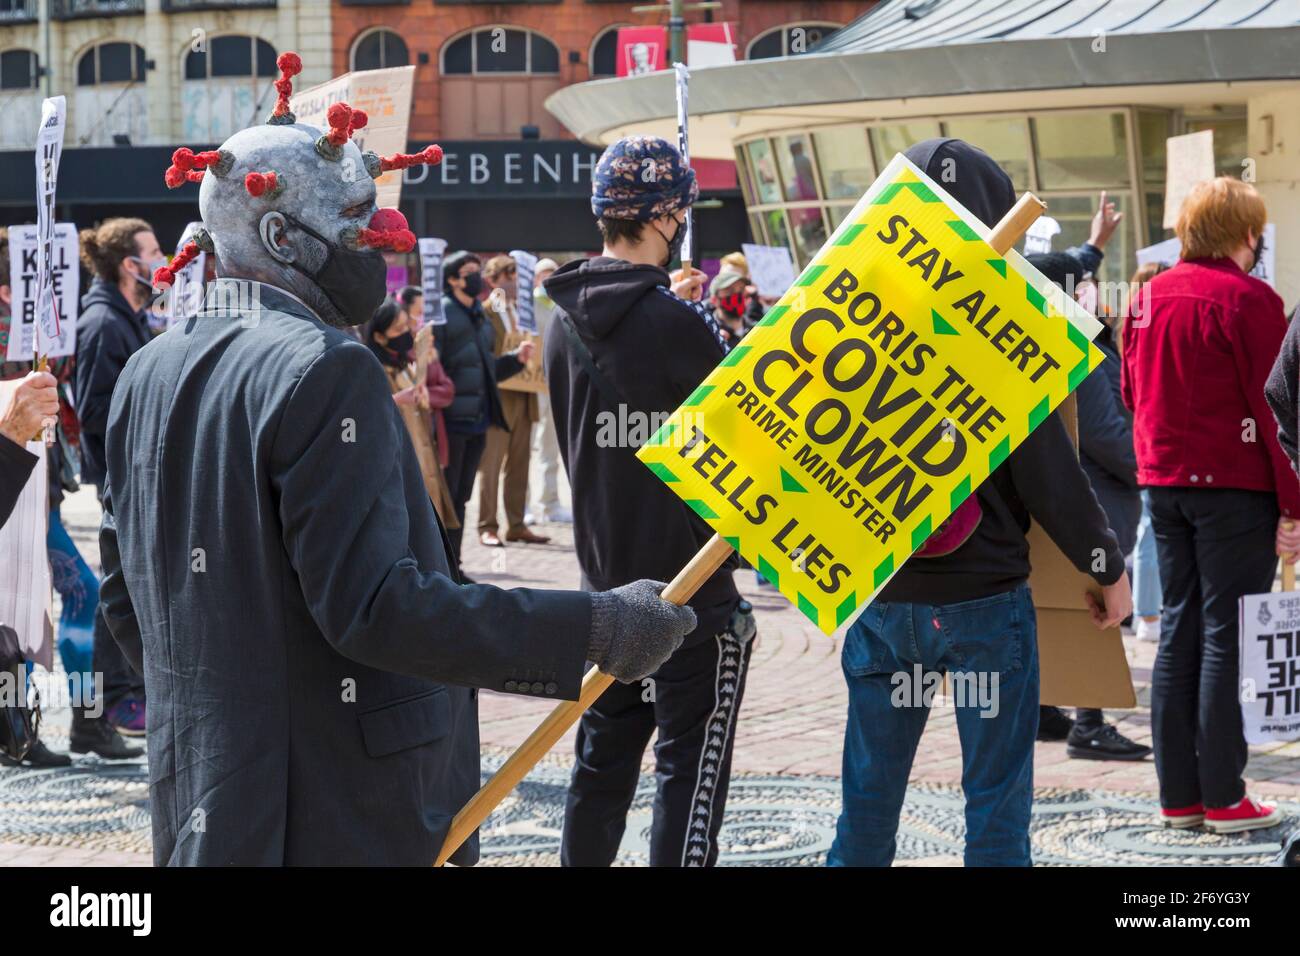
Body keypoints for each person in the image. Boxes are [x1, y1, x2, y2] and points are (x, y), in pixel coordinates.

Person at [96, 57, 696, 866]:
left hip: (205, 794)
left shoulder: (149, 368)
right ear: (281, 236)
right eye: (355, 224)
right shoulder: (323, 368)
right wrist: (595, 626)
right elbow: (378, 608)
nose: (376, 244)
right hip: (333, 810)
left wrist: (223, 701)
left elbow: (125, 594)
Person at [827, 139, 1132, 869]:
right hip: (984, 603)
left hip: (884, 593)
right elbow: (1050, 474)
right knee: (994, 809)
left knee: (867, 801)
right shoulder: (998, 328)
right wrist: (1107, 566)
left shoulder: (844, 316)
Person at [545, 135, 755, 867]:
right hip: (691, 588)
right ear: (666, 216)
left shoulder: (560, 320)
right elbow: (743, 438)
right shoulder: (677, 322)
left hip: (604, 586)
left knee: (600, 773)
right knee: (688, 779)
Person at [1124, 176, 1292, 834]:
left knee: (1178, 633)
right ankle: (1224, 794)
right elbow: (1276, 411)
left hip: (1164, 483)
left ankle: (1180, 795)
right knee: (1227, 636)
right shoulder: (1252, 299)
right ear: (1246, 234)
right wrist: (1295, 505)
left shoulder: (1144, 298)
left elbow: (1133, 391)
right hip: (1234, 486)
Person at [0, 230, 141, 766]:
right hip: (16, 493)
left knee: (51, 603)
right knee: (43, 605)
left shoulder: (42, 340)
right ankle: (34, 727)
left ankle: (68, 722)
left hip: (42, 491)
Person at [1028, 251, 1150, 762]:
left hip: (1060, 504)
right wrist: (1147, 470)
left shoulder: (1034, 341)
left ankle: (1043, 708)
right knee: (1093, 609)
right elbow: (1105, 435)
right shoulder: (1081, 349)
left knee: (1052, 607)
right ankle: (1091, 724)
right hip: (1095, 500)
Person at [74, 216, 159, 738]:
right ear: (130, 265)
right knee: (111, 590)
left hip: (135, 474)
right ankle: (109, 703)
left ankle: (94, 719)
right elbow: (93, 409)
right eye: (153, 251)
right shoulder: (103, 323)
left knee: (122, 587)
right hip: (121, 477)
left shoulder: (127, 316)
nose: (163, 257)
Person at [433, 250, 532, 575]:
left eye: (478, 270)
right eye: (469, 271)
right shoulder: (444, 315)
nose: (477, 277)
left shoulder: (477, 313)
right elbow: (432, 369)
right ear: (452, 279)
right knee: (445, 498)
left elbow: (486, 367)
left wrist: (514, 360)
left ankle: (455, 566)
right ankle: (440, 566)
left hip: (478, 419)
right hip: (451, 423)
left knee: (460, 497)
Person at [365, 296, 458, 529]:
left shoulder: (405, 363)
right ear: (378, 336)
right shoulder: (371, 368)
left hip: (423, 458)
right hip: (398, 466)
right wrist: (396, 400)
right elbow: (365, 414)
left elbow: (444, 391)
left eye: (408, 325)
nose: (406, 332)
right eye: (398, 329)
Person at [477, 254, 548, 547]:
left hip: (525, 393)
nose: (517, 283)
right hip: (499, 395)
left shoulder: (524, 310)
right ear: (494, 280)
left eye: (518, 277)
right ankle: (487, 525)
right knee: (491, 464)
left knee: (520, 464)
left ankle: (517, 524)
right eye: (509, 278)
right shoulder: (485, 312)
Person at [1126, 263, 1168, 644]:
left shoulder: (1138, 325)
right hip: (1150, 442)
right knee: (1150, 532)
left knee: (1150, 531)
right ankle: (1149, 614)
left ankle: (1150, 612)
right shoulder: (1149, 326)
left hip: (1145, 440)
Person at [527, 257, 570, 525]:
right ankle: (524, 506)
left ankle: (550, 503)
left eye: (550, 274)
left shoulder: (561, 304)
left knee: (550, 447)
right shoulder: (526, 306)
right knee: (522, 449)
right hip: (529, 384)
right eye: (542, 275)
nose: (546, 279)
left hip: (553, 382)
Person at [708, 268, 754, 347]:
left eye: (741, 289)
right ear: (714, 300)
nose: (737, 295)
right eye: (729, 291)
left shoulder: (756, 330)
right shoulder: (709, 334)